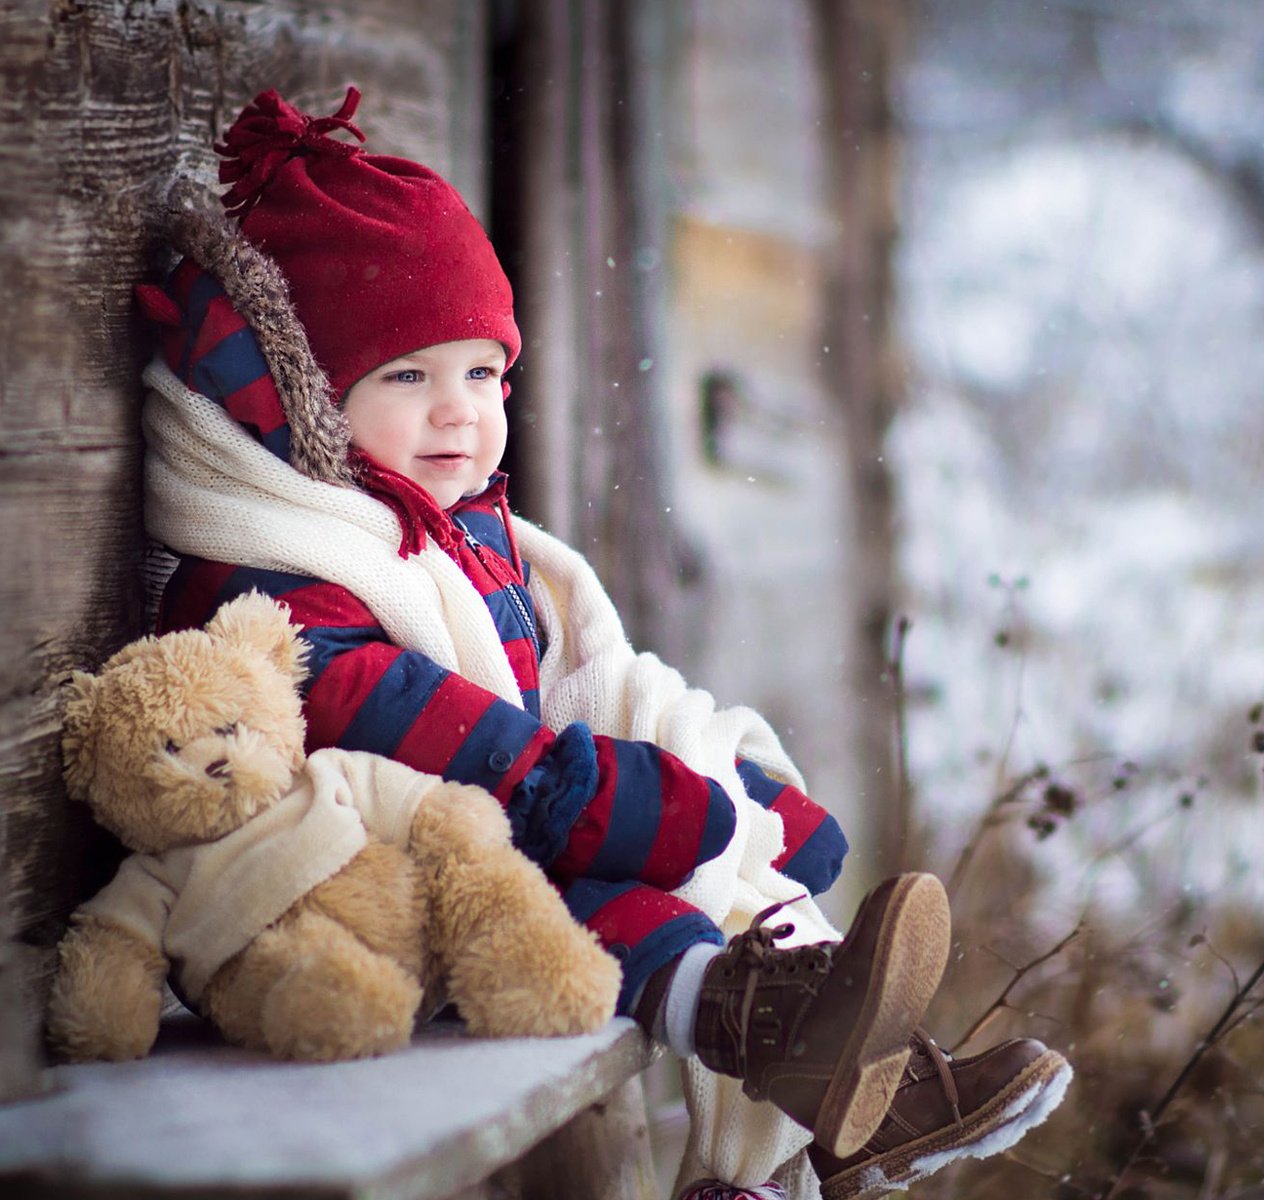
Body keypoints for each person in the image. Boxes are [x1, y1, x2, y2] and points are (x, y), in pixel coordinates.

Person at [135, 87, 1070, 1200]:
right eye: (408, 377)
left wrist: (733, 789)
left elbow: (585, 682)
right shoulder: (273, 565)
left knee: (654, 867)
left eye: (482, 374)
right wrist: (565, 788)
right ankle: (770, 1033)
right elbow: (373, 701)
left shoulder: (454, 535)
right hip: (341, 902)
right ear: (311, 402)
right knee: (589, 887)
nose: (459, 414)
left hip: (477, 840)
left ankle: (874, 1088)